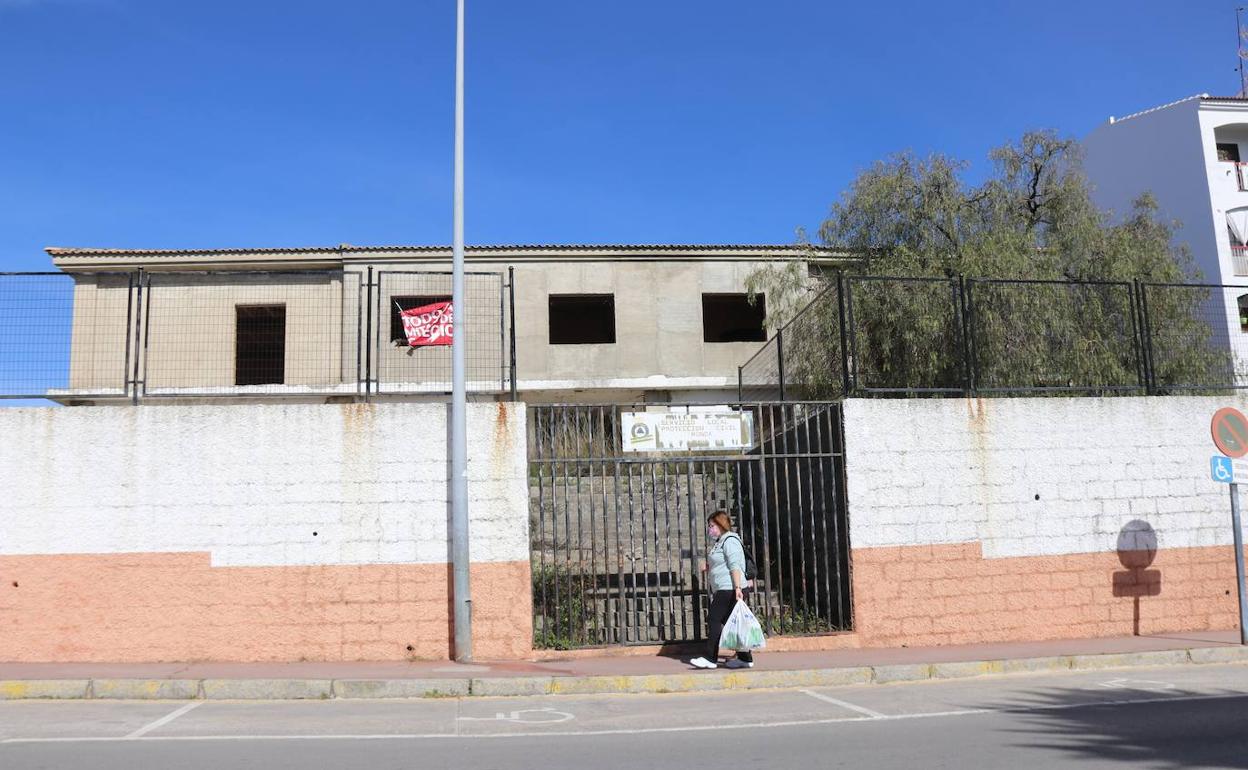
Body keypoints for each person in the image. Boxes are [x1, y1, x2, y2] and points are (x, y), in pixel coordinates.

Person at [689, 510, 754, 670]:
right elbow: (723, 562)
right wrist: (710, 566)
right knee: (734, 623)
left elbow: (734, 565)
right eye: (709, 526)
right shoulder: (721, 541)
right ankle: (745, 659)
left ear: (721, 525)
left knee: (714, 620)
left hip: (730, 588)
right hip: (727, 588)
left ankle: (711, 658)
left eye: (712, 526)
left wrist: (738, 587)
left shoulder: (730, 540)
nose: (710, 529)